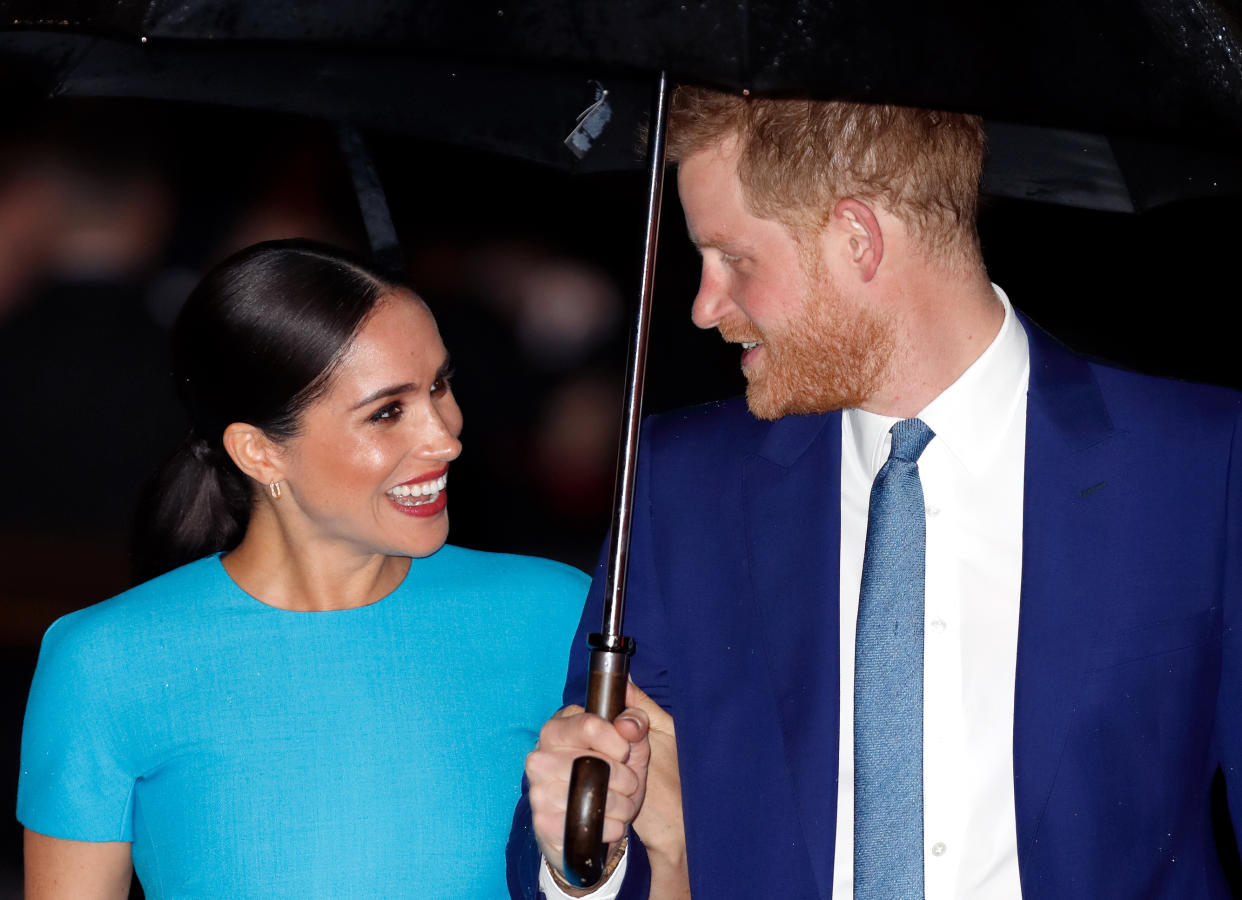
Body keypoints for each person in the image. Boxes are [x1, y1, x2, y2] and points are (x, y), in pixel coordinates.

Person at [510, 87, 1242, 898]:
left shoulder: (1202, 461)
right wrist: (588, 856)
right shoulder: (680, 486)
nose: (704, 305)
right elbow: (598, 826)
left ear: (857, 238)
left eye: (733, 259)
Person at [18, 239, 588, 899]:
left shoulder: (555, 613)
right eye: (387, 411)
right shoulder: (106, 661)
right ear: (259, 452)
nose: (445, 436)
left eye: (438, 384)